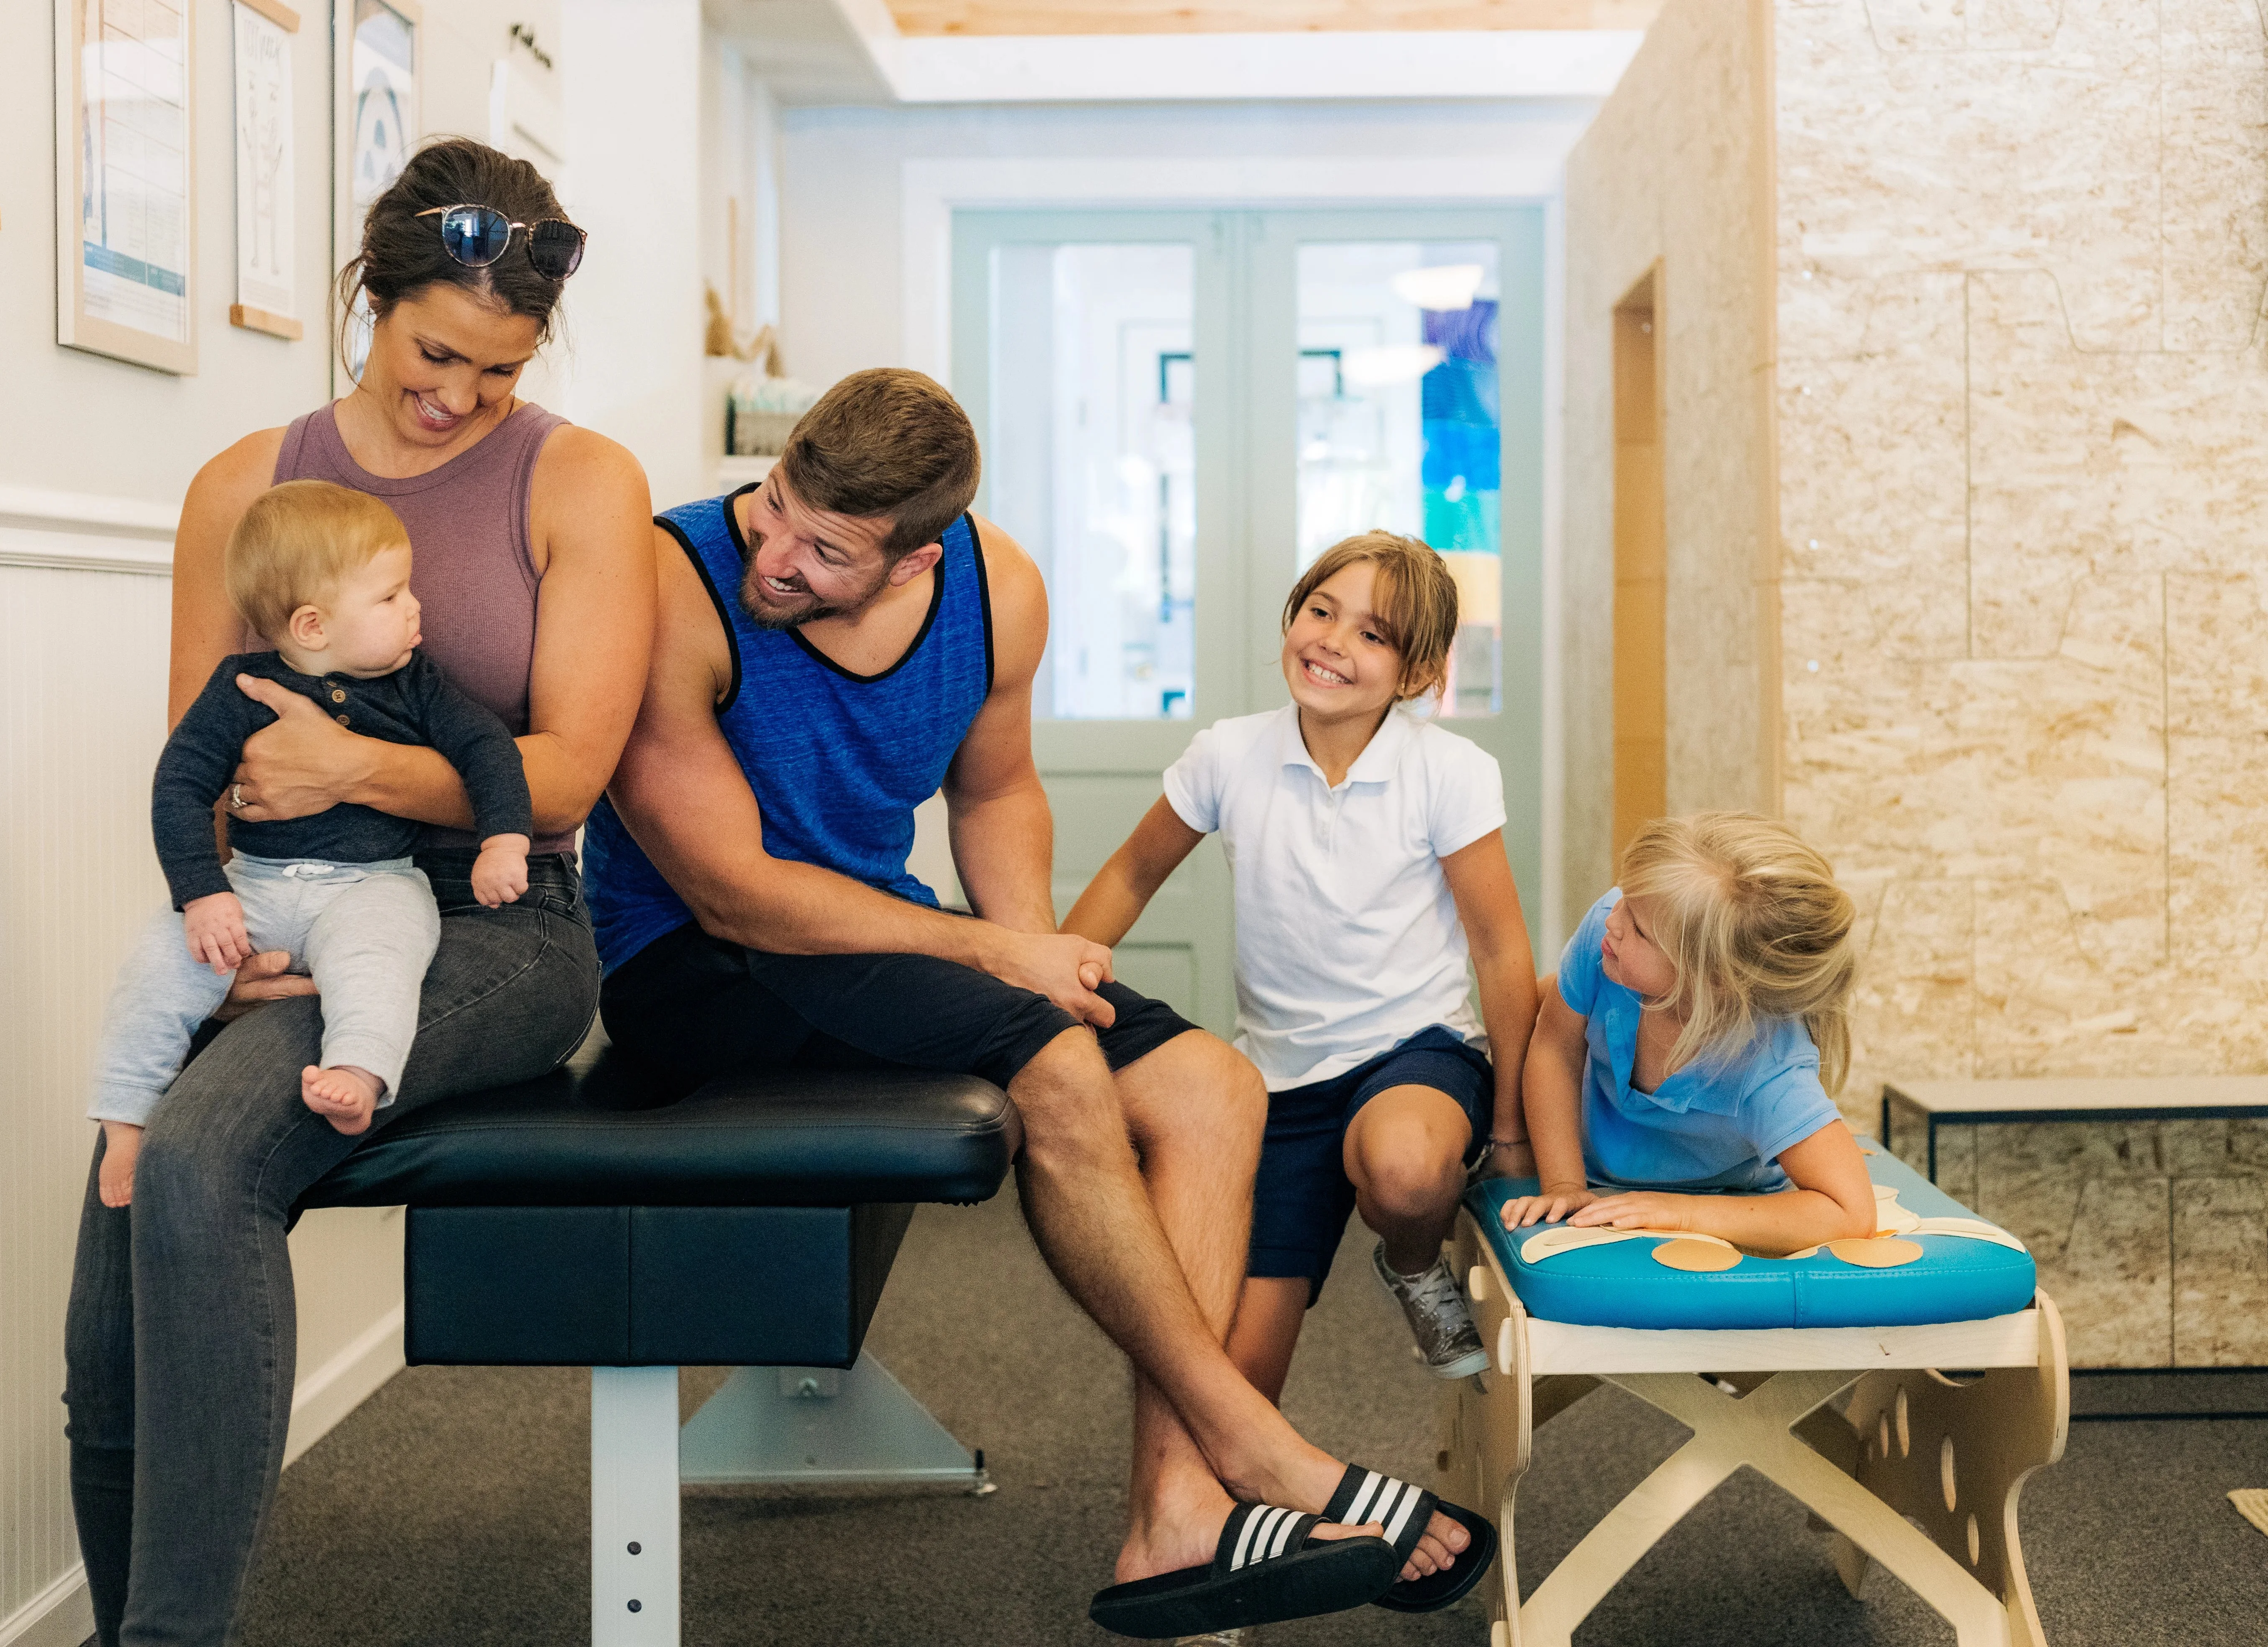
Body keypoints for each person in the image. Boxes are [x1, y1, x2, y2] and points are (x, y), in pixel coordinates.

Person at [590, 369, 1489, 1638]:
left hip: (868, 933)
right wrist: (996, 964)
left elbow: (997, 792)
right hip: (689, 961)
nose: (774, 555)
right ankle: (1257, 1449)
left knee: (1212, 1086)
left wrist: (1022, 945)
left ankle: (1171, 1514)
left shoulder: (995, 591)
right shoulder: (673, 582)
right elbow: (733, 894)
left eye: (824, 550)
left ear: (916, 560)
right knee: (1058, 1071)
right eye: (777, 506)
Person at [63, 137, 653, 1647]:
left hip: (498, 919)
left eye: (500, 370)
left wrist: (351, 768)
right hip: (278, 893)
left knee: (199, 1157)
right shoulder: (243, 487)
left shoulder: (581, 479)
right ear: (369, 298)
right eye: (434, 350)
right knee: (122, 1235)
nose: (460, 394)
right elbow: (210, 759)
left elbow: (571, 769)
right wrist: (238, 916)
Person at [1064, 533, 1537, 1411]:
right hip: (1275, 1082)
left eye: (1372, 634)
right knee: (1235, 1386)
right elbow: (1131, 874)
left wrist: (1508, 1130)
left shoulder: (1451, 773)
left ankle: (1409, 1261)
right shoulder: (1228, 754)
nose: (1331, 641)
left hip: (1415, 1054)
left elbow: (1502, 949)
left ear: (1416, 672)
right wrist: (1048, 984)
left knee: (1403, 1171)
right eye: (1321, 611)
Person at [87, 480, 536, 1208]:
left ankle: (357, 1075)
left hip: (374, 884)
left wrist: (503, 843)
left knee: (380, 962)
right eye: (391, 597)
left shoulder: (415, 685)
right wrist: (202, 895)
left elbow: (489, 750)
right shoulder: (241, 689)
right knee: (157, 966)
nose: (416, 606)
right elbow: (179, 787)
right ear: (312, 626)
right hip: (256, 883)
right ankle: (125, 1120)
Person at [1498, 812, 1878, 1255]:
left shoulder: (1767, 1068)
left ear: (1712, 979)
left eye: (1638, 928)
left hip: (1720, 1188)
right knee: (1543, 996)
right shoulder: (1609, 936)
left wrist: (1681, 1212)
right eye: (1624, 897)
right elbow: (1554, 1048)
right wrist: (1563, 1182)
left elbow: (1851, 1210)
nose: (1612, 920)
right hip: (1595, 1162)